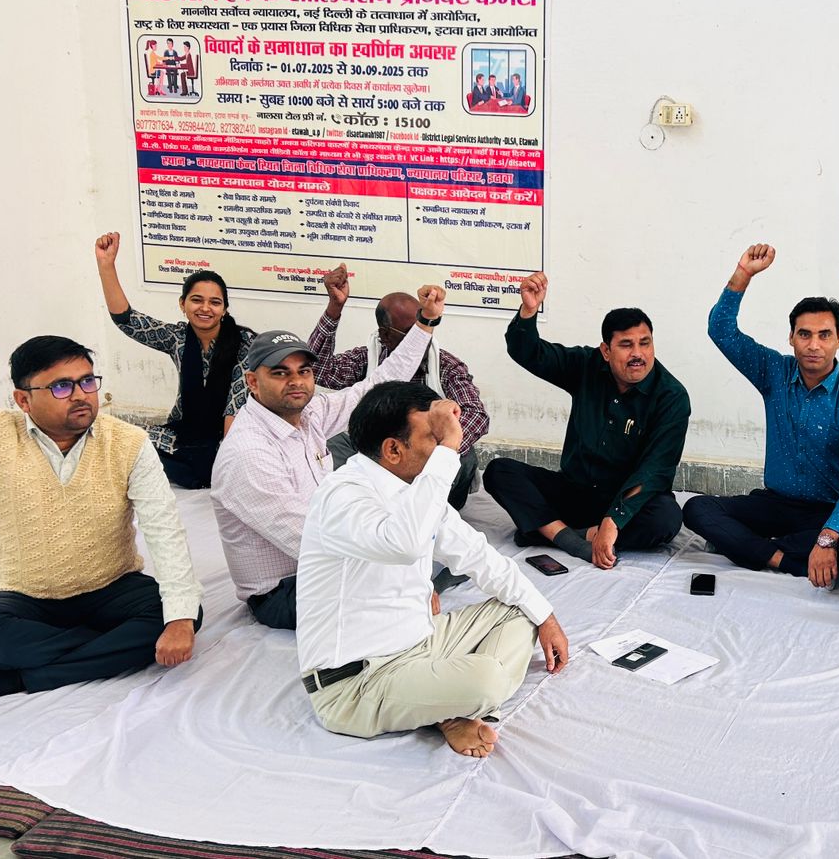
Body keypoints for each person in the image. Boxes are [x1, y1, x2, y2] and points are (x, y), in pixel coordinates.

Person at [0, 336, 204, 712]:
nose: (81, 395)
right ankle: (105, 647)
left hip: (111, 587)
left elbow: (164, 529)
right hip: (23, 596)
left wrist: (180, 618)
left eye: (87, 381)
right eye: (61, 386)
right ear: (23, 400)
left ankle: (21, 677)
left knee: (184, 613)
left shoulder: (128, 442)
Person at [297, 382, 570, 757]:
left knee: (522, 610)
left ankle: (445, 704)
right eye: (434, 436)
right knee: (488, 680)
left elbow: (478, 555)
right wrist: (449, 447)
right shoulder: (342, 495)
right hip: (357, 683)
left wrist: (547, 617)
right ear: (393, 450)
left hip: (422, 645)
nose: (445, 444)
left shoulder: (412, 489)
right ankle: (453, 707)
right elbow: (404, 543)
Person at [210, 285, 442, 629]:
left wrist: (425, 324)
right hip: (286, 590)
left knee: (433, 556)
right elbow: (312, 541)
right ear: (253, 382)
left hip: (324, 560)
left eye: (303, 371)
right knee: (408, 597)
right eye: (280, 373)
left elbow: (376, 385)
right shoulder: (248, 453)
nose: (296, 381)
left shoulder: (308, 414)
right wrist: (402, 580)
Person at [683, 243, 839, 587]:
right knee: (696, 508)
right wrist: (743, 274)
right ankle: (781, 558)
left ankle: (750, 547)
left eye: (824, 335)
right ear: (791, 338)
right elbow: (721, 330)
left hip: (824, 513)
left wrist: (827, 538)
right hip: (773, 505)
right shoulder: (774, 372)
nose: (814, 345)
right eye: (804, 334)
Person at [483, 272, 690, 568]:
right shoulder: (586, 365)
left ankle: (551, 532)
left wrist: (613, 520)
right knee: (499, 471)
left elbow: (655, 470)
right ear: (606, 351)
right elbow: (529, 353)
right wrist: (528, 311)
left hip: (625, 500)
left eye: (645, 343)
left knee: (666, 518)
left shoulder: (671, 396)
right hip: (575, 492)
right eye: (626, 345)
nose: (638, 354)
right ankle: (573, 538)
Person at [307, 263, 488, 509]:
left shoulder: (444, 365)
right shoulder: (367, 358)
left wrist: (432, 450)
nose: (422, 336)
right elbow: (320, 370)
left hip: (425, 451)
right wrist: (334, 308)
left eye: (424, 326)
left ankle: (426, 513)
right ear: (385, 335)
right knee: (327, 450)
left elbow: (476, 415)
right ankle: (347, 509)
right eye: (411, 332)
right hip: (375, 450)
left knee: (463, 458)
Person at [94, 231, 255, 489]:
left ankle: (201, 468)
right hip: (183, 433)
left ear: (224, 309)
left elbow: (234, 408)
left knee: (217, 463)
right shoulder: (177, 338)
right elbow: (128, 321)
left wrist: (227, 462)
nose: (205, 308)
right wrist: (106, 266)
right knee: (128, 439)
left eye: (215, 302)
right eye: (196, 300)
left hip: (230, 435)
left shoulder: (245, 343)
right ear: (182, 304)